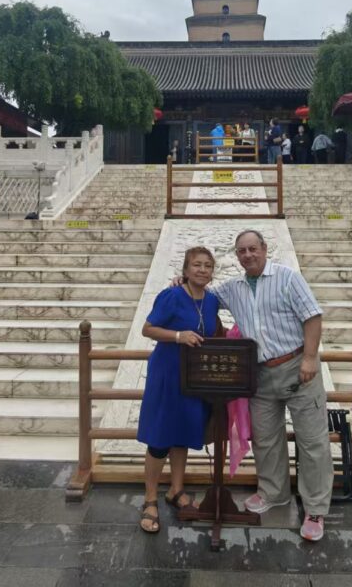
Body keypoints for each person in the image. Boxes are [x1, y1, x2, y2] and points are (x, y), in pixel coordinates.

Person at [190, 231, 331, 542]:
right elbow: (202, 293)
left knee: (312, 441)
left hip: (297, 367)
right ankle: (273, 492)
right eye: (241, 251)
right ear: (237, 256)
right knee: (266, 438)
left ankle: (316, 508)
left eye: (253, 248)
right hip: (261, 373)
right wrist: (181, 281)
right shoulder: (234, 288)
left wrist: (310, 358)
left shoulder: (287, 278)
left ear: (265, 249)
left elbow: (313, 316)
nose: (248, 255)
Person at [137, 246, 222, 533]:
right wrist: (177, 336)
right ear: (185, 271)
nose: (202, 270)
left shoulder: (211, 301)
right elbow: (148, 329)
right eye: (196, 265)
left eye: (208, 266)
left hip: (194, 376)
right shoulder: (171, 295)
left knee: (183, 434)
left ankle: (176, 490)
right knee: (160, 437)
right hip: (167, 373)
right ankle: (150, 499)